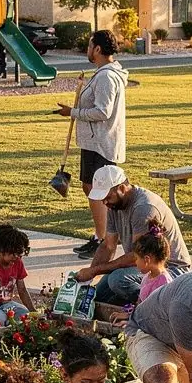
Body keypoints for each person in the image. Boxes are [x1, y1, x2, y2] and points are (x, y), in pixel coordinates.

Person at [54, 29, 127, 260]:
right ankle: (101, 236)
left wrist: (72, 112)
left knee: (98, 190)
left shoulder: (106, 76)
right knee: (90, 187)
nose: (87, 49)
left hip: (101, 143)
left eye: (89, 45)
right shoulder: (102, 74)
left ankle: (105, 239)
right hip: (94, 142)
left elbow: (103, 112)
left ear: (97, 49)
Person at [73, 166, 191, 305]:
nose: (105, 202)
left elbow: (136, 255)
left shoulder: (143, 208)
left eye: (108, 197)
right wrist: (89, 276)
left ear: (122, 188)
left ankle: (150, 308)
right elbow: (108, 245)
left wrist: (94, 270)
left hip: (169, 270)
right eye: (102, 199)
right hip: (142, 265)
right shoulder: (114, 205)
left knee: (117, 279)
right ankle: (125, 305)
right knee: (98, 296)